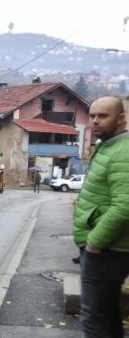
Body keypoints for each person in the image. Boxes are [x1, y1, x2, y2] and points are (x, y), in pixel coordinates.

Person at [72, 96, 129, 338]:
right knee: (107, 318)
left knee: (94, 322)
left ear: (121, 119)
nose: (95, 121)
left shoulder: (122, 151)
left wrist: (95, 242)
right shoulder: (110, 146)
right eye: (92, 115)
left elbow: (125, 205)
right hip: (108, 249)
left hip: (107, 250)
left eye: (102, 116)